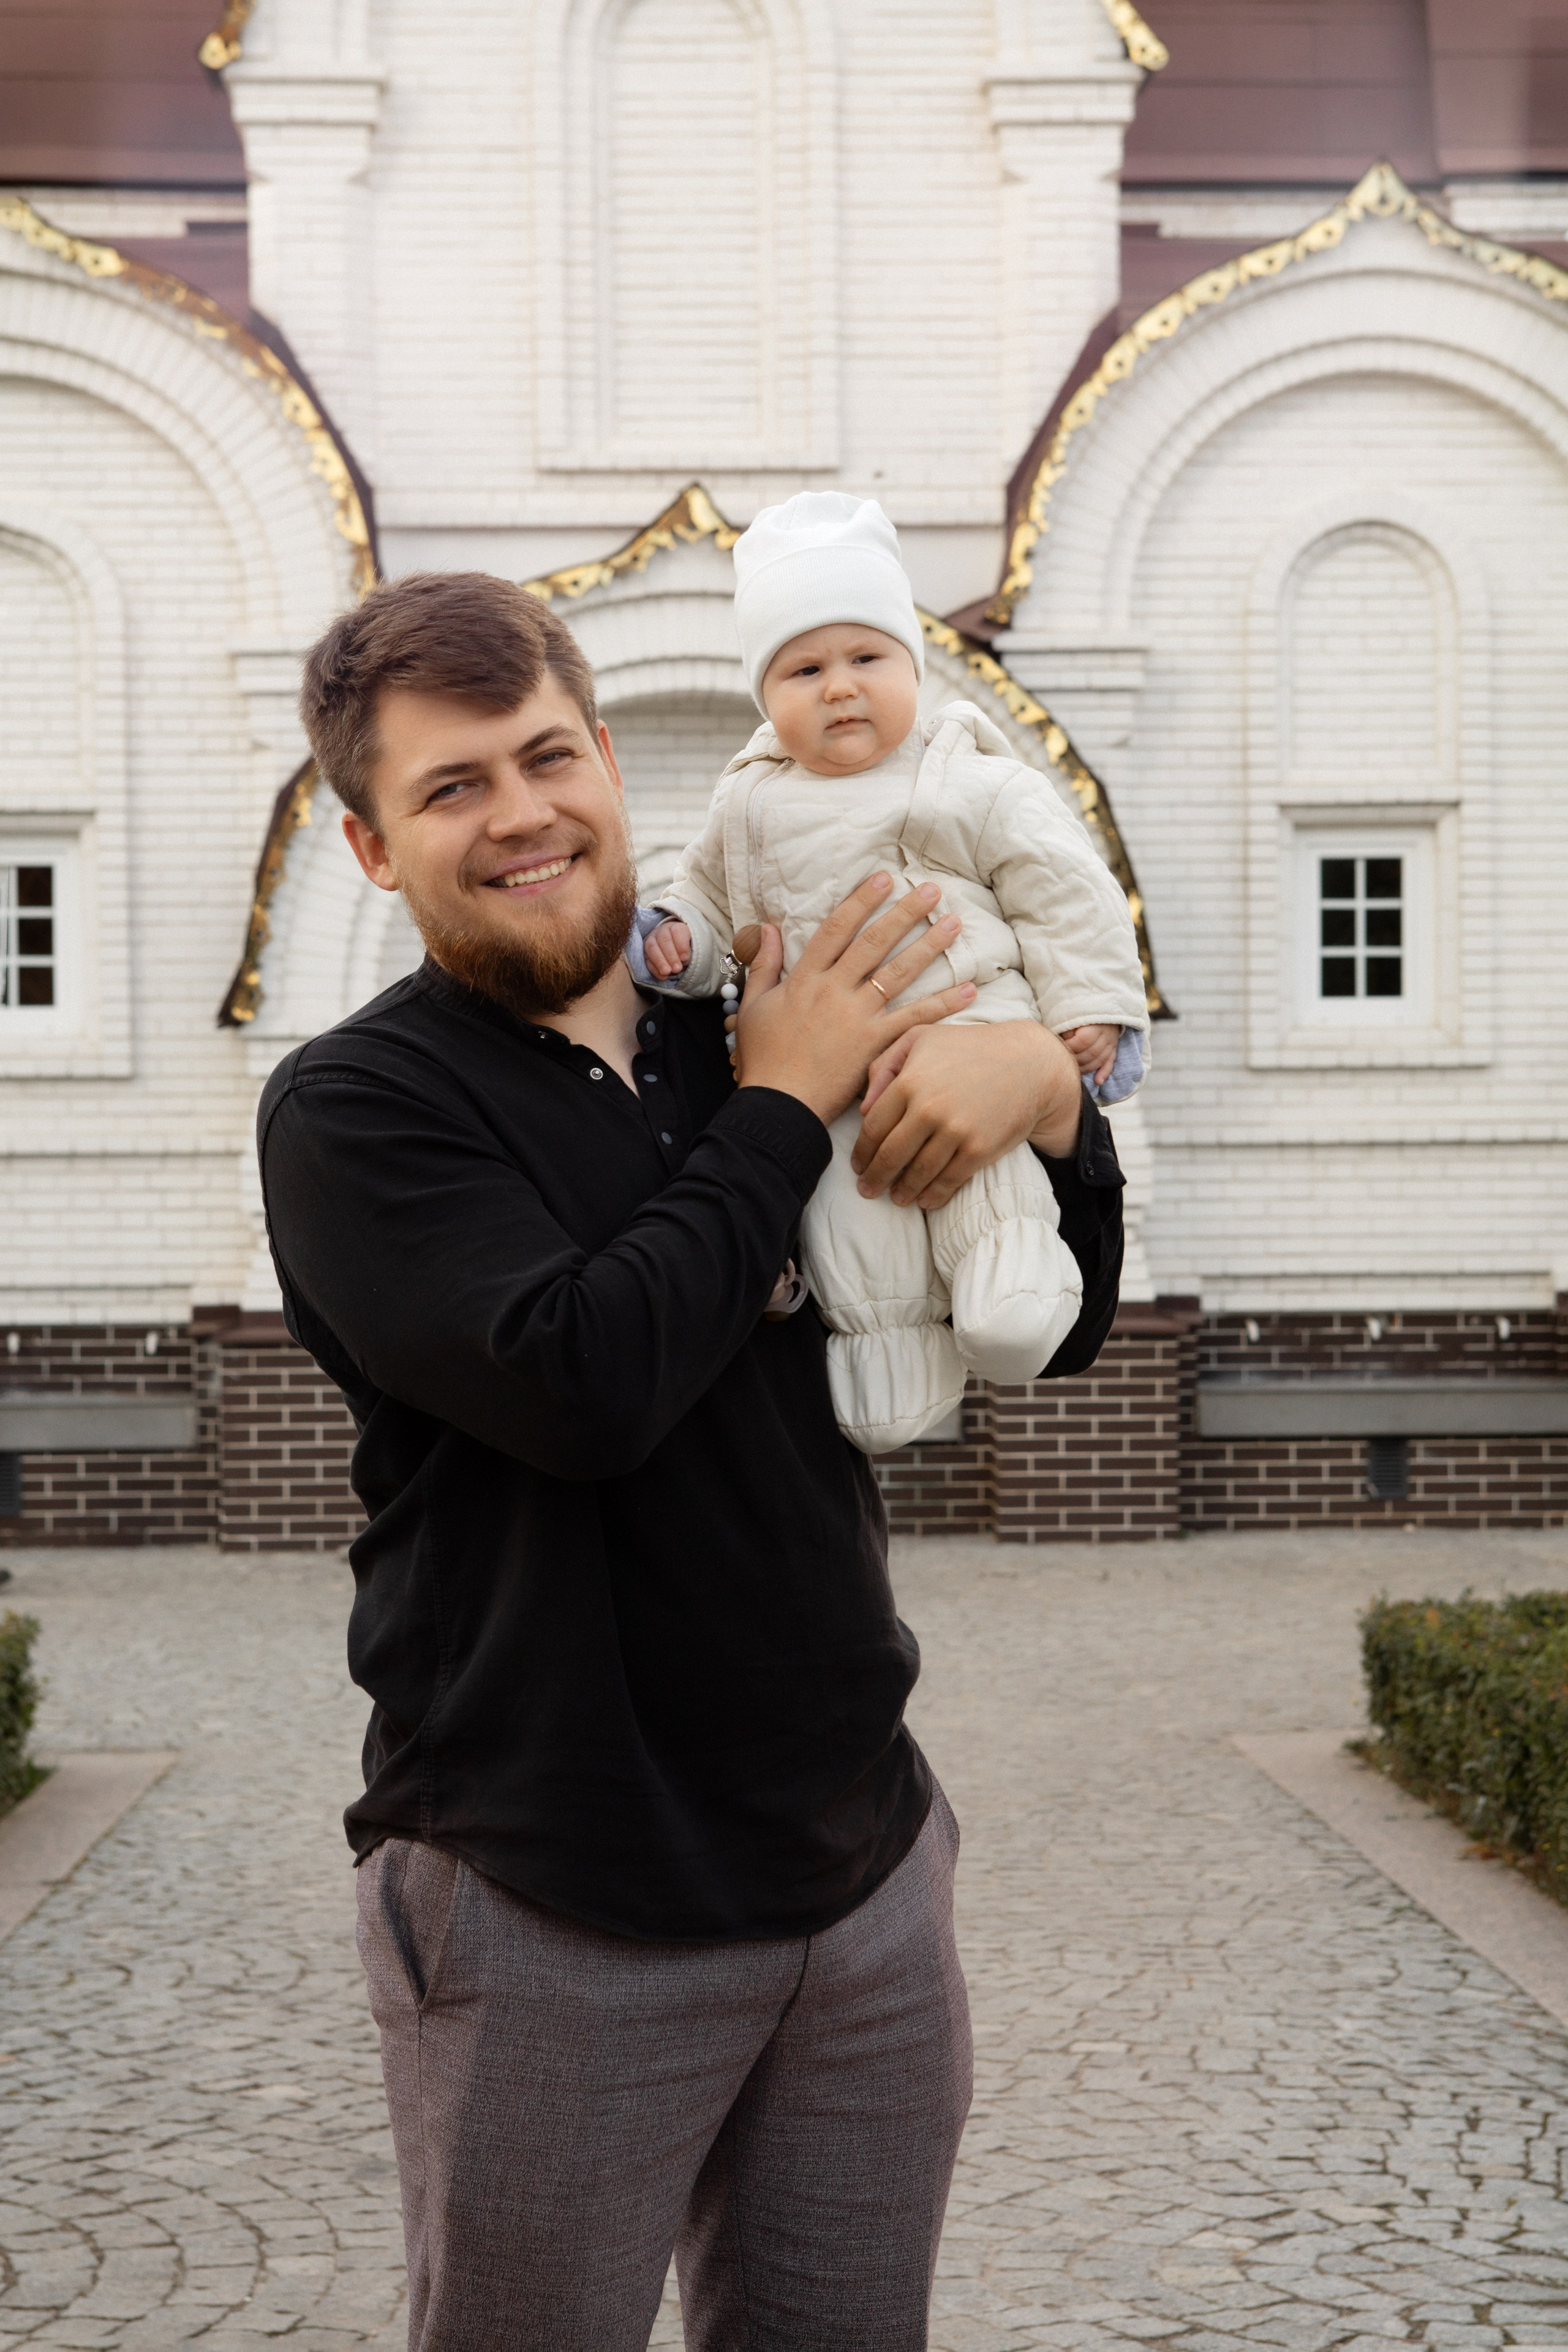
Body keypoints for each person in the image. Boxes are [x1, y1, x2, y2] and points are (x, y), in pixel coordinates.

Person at [260, 570, 1126, 2352]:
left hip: (862, 1872)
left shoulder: (724, 1011)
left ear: (610, 764)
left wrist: (1042, 1085)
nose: (521, 815)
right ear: (370, 849)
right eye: (451, 788)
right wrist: (786, 1102)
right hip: (552, 1896)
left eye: (548, 755)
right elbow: (585, 1382)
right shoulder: (364, 1108)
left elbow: (1079, 1311)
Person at [632, 491, 1148, 1452]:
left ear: (912, 664)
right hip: (823, 1092)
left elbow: (1064, 888)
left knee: (979, 1173)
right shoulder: (746, 803)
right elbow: (708, 898)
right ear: (763, 694)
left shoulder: (961, 773)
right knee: (851, 1215)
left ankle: (1012, 1280)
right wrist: (679, 938)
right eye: (804, 668)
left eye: (867, 658)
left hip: (963, 1032)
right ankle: (890, 1365)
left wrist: (1093, 1009)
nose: (839, 687)